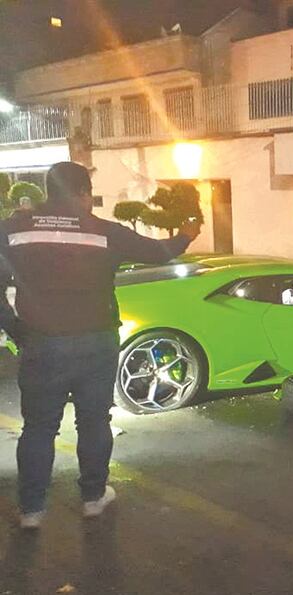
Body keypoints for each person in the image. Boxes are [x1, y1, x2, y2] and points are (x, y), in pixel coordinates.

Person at [0, 162, 200, 529]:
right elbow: (160, 252)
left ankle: (31, 510)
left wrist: (12, 326)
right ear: (83, 193)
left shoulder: (13, 229)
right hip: (95, 342)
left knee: (39, 428)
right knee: (94, 422)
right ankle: (93, 497)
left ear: (48, 192)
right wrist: (187, 233)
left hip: (41, 342)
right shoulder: (103, 231)